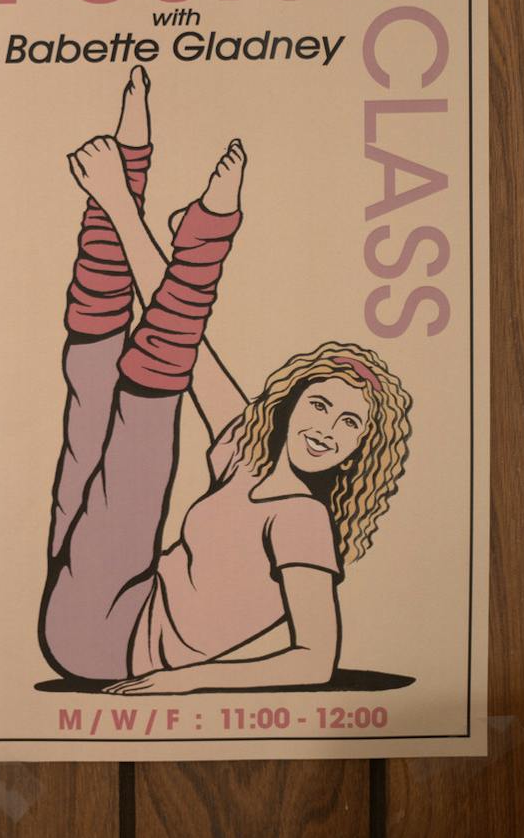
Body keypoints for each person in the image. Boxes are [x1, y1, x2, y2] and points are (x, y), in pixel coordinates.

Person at [39, 67, 413, 694]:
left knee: (140, 429)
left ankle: (171, 215)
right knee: (98, 390)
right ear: (291, 407)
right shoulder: (248, 458)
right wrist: (158, 219)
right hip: (96, 600)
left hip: (113, 646)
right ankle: (134, 170)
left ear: (359, 452)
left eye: (350, 424)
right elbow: (184, 342)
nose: (327, 429)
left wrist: (189, 682)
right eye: (320, 406)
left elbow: (315, 658)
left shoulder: (302, 521)